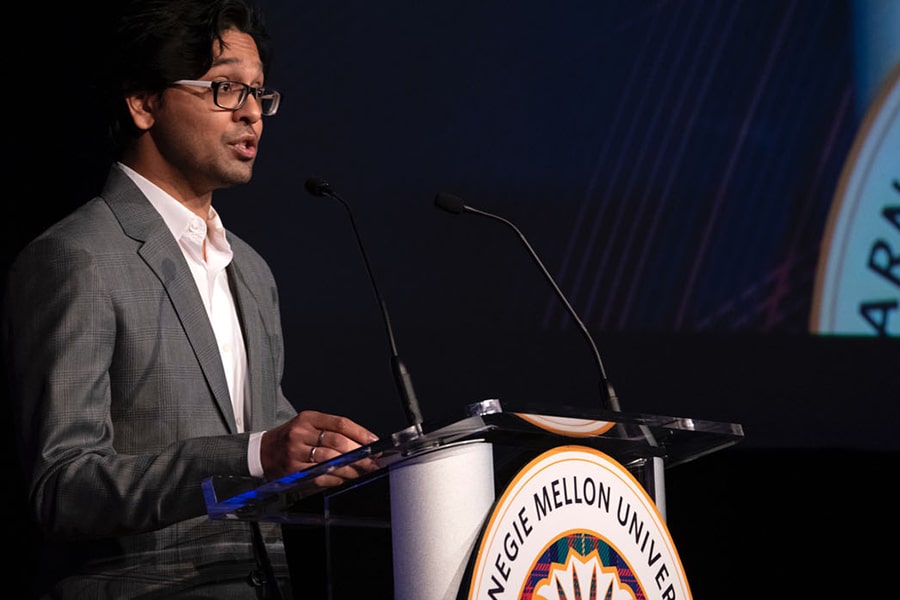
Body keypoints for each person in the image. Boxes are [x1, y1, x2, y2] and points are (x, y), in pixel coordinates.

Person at [1, 0, 380, 597]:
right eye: (225, 89)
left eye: (260, 94)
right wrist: (252, 456)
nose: (252, 115)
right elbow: (64, 488)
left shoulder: (250, 269)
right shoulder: (77, 257)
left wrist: (330, 461)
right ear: (144, 102)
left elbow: (268, 446)